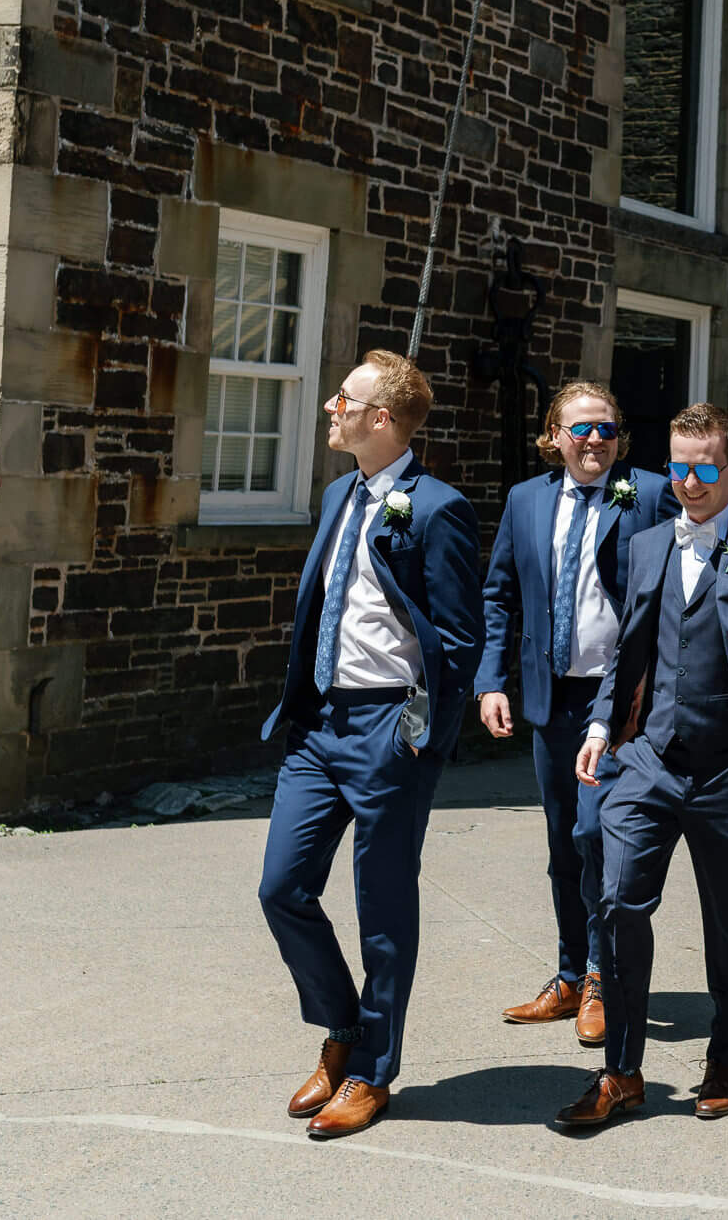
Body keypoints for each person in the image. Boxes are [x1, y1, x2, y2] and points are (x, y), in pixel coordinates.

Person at [553, 403, 728, 1129]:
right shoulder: (643, 547)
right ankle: (622, 1070)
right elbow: (628, 648)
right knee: (615, 902)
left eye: (706, 467)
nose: (690, 481)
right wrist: (603, 723)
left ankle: (726, 1055)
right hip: (647, 761)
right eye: (678, 466)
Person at [254, 350, 483, 1141]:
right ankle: (342, 1027)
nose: (329, 405)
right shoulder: (336, 494)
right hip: (320, 728)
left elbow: (457, 643)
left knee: (382, 909)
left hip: (390, 729)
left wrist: (415, 741)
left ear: (379, 419)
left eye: (343, 398)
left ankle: (372, 1072)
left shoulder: (436, 508)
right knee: (281, 886)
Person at [477, 382, 676, 1046]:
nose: (596, 440)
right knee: (564, 843)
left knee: (596, 835)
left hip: (619, 703)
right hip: (549, 696)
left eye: (609, 429)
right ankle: (568, 973)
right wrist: (491, 681)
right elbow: (500, 594)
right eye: (582, 428)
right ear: (554, 434)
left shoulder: (647, 493)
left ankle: (599, 974)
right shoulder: (526, 501)